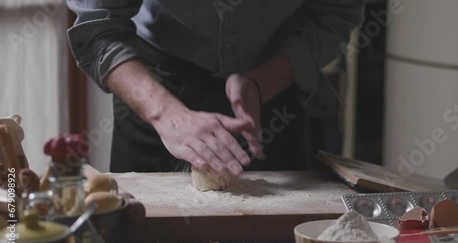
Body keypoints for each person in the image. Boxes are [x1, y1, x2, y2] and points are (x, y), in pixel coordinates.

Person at [66, 0, 365, 175]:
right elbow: (98, 29)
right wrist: (167, 115)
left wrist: (264, 82)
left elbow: (335, 13)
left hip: (273, 92)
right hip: (156, 84)